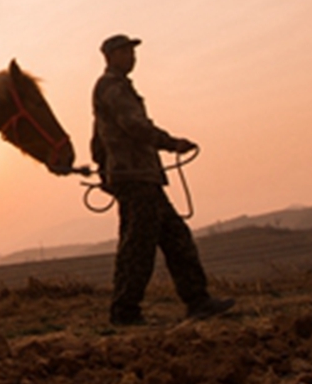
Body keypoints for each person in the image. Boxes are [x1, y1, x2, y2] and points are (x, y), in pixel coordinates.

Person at [91, 33, 234, 325]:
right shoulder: (112, 88)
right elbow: (134, 126)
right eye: (126, 52)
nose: (132, 56)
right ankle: (125, 311)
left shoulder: (114, 88)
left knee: (175, 238)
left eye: (132, 51)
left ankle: (198, 301)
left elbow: (97, 139)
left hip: (141, 176)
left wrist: (105, 170)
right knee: (139, 246)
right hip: (135, 177)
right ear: (111, 56)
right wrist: (171, 143)